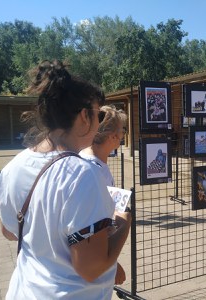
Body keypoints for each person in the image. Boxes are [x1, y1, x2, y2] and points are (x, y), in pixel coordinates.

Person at [0, 60, 131, 299]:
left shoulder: (13, 167)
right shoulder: (81, 174)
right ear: (83, 115)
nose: (99, 122)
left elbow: (9, 231)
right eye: (98, 114)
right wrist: (124, 222)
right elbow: (91, 268)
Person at [79, 105, 128, 285]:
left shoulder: (90, 160)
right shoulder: (93, 170)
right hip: (93, 263)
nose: (123, 135)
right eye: (122, 130)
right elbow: (90, 229)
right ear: (113, 136)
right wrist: (111, 265)